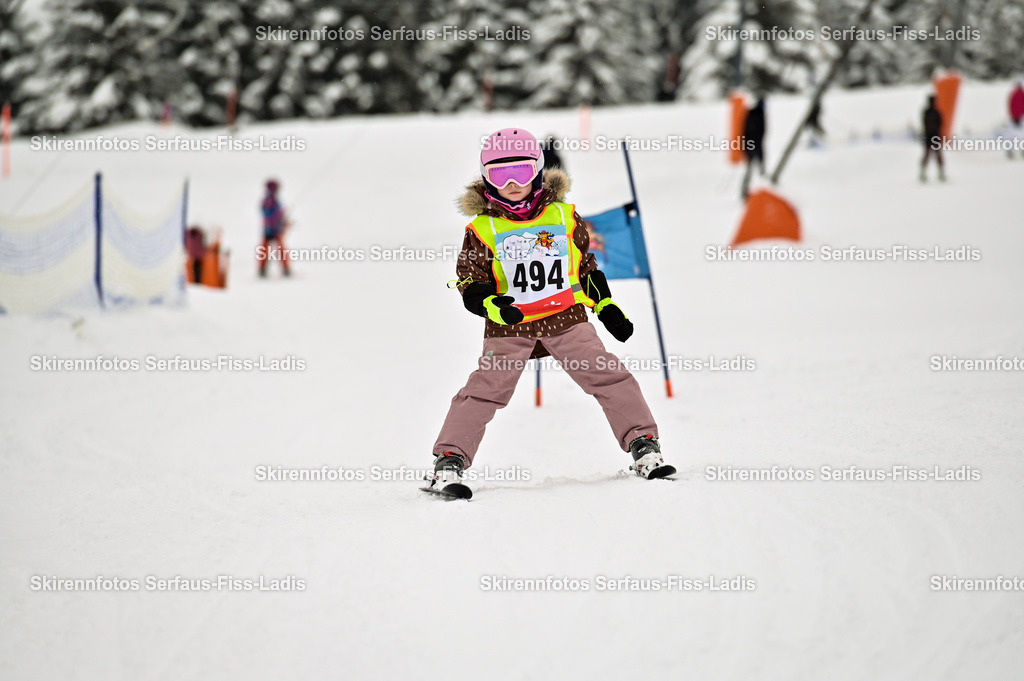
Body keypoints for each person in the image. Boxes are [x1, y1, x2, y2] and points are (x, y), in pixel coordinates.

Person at [428, 128, 673, 494]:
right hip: (510, 325)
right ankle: (449, 460)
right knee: (487, 388)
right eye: (499, 174)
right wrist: (491, 304)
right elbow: (469, 281)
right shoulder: (482, 228)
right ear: (485, 178)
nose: (511, 183)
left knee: (608, 374)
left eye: (522, 172)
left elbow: (585, 267)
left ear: (539, 171)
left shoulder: (563, 216)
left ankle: (643, 444)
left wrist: (605, 307)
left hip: (565, 317)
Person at [258, 179, 290, 277]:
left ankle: (264, 270)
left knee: (268, 251)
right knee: (277, 250)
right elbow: (269, 214)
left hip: (273, 229)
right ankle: (264, 270)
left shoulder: (272, 200)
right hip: (272, 230)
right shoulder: (270, 201)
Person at [741, 97, 766, 200]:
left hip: (754, 144)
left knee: (755, 169)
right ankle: (746, 193)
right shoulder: (756, 114)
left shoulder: (754, 113)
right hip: (752, 144)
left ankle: (755, 193)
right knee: (752, 169)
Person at [920, 94, 945, 182]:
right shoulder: (929, 112)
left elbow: (940, 124)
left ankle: (940, 172)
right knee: (927, 155)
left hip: (934, 136)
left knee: (937, 156)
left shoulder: (935, 112)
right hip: (930, 136)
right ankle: (923, 173)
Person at [1008, 81, 1024, 160]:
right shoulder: (1021, 94)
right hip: (1020, 116)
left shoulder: (1013, 94)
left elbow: (1011, 105)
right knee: (1020, 135)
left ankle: (1012, 150)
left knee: (1013, 135)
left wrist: (1013, 115)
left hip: (1015, 117)